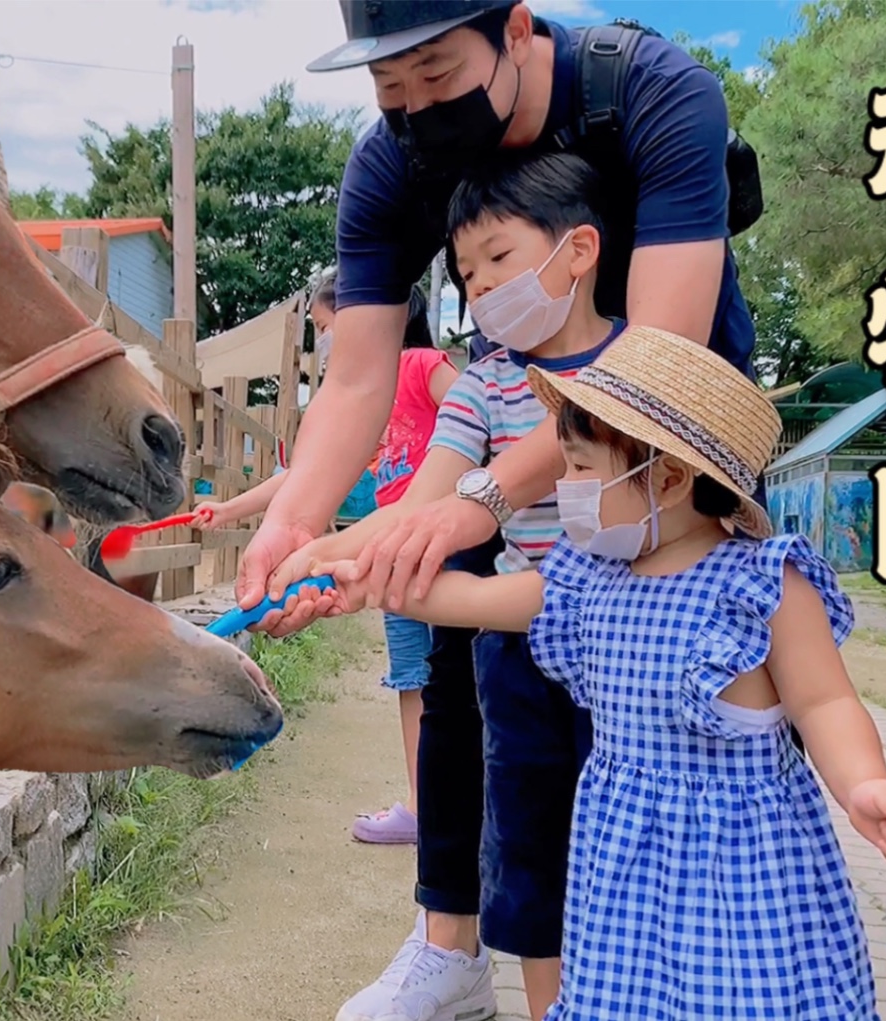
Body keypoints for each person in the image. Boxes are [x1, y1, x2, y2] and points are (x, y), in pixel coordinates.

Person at [316, 324, 886, 1020]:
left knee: (748, 1001)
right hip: (620, 867)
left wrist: (863, 784)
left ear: (665, 479)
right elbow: (475, 599)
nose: (564, 486)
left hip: (744, 869)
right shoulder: (588, 578)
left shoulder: (763, 584)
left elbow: (824, 704)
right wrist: (364, 584)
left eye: (580, 468)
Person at [244, 0, 760, 629]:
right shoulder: (386, 170)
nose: (417, 109)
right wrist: (293, 526)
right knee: (473, 664)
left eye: (436, 75)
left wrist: (486, 496)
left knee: (708, 645)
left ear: (516, 32)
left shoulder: (656, 91)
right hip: (517, 416)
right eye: (389, 86)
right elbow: (355, 379)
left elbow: (652, 371)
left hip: (671, 425)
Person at [297, 151, 622, 1021]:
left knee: (633, 865)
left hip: (634, 660)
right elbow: (420, 503)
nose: (480, 292)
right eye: (466, 276)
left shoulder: (641, 367)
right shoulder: (482, 383)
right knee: (537, 868)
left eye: (498, 261)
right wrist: (323, 555)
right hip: (522, 666)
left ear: (578, 249)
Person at [199, 273, 459, 844]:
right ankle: (423, 807)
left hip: (449, 546)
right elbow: (301, 477)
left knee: (462, 683)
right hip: (392, 560)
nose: (324, 342)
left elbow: (472, 412)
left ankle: (465, 809)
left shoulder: (418, 366)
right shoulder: (364, 400)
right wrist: (230, 510)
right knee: (414, 680)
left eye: (322, 327)